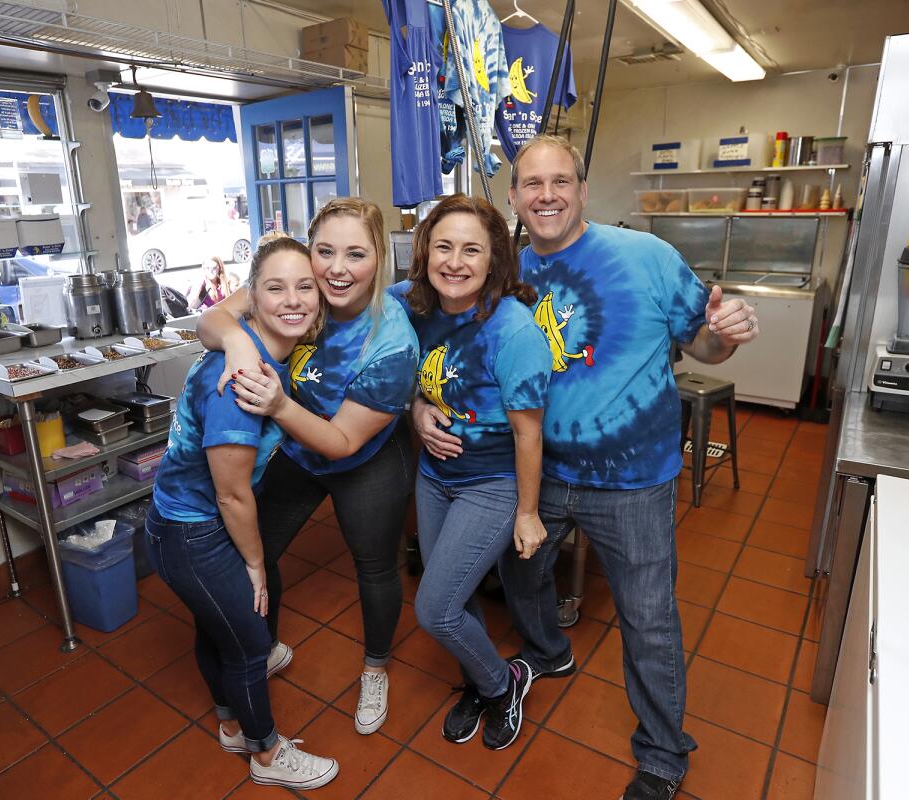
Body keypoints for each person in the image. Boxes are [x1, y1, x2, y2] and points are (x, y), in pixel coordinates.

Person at [414, 135, 760, 800]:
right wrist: (418, 408)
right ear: (513, 196)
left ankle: (661, 753)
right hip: (533, 474)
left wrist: (726, 331)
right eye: (531, 183)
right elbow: (450, 354)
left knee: (649, 619)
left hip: (633, 482)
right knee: (520, 577)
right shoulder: (500, 273)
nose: (546, 195)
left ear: (581, 188)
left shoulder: (647, 257)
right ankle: (546, 652)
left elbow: (707, 345)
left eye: (560, 181)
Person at [196, 198, 419, 736]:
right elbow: (212, 317)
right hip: (297, 455)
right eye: (325, 251)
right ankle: (264, 645)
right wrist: (234, 342)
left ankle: (375, 667)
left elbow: (342, 441)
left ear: (379, 260)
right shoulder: (297, 287)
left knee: (376, 567)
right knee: (258, 551)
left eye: (356, 254)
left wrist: (278, 406)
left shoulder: (392, 343)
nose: (337, 269)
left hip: (364, 459)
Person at [145, 236, 338, 790]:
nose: (294, 300)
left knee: (221, 627)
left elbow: (214, 322)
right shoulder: (241, 381)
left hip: (184, 523)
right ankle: (267, 755)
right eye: (276, 288)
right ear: (251, 297)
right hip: (193, 531)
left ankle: (231, 724)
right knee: (253, 642)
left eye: (306, 287)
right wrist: (256, 563)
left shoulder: (254, 343)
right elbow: (232, 495)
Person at [387, 194, 549, 750]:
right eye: (444, 246)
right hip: (434, 479)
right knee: (457, 597)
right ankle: (481, 681)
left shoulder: (513, 330)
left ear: (494, 261)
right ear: (424, 251)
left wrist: (527, 513)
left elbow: (529, 431)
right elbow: (343, 292)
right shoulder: (410, 304)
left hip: (492, 484)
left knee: (433, 608)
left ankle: (506, 684)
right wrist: (414, 406)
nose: (455, 262)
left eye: (472, 250)